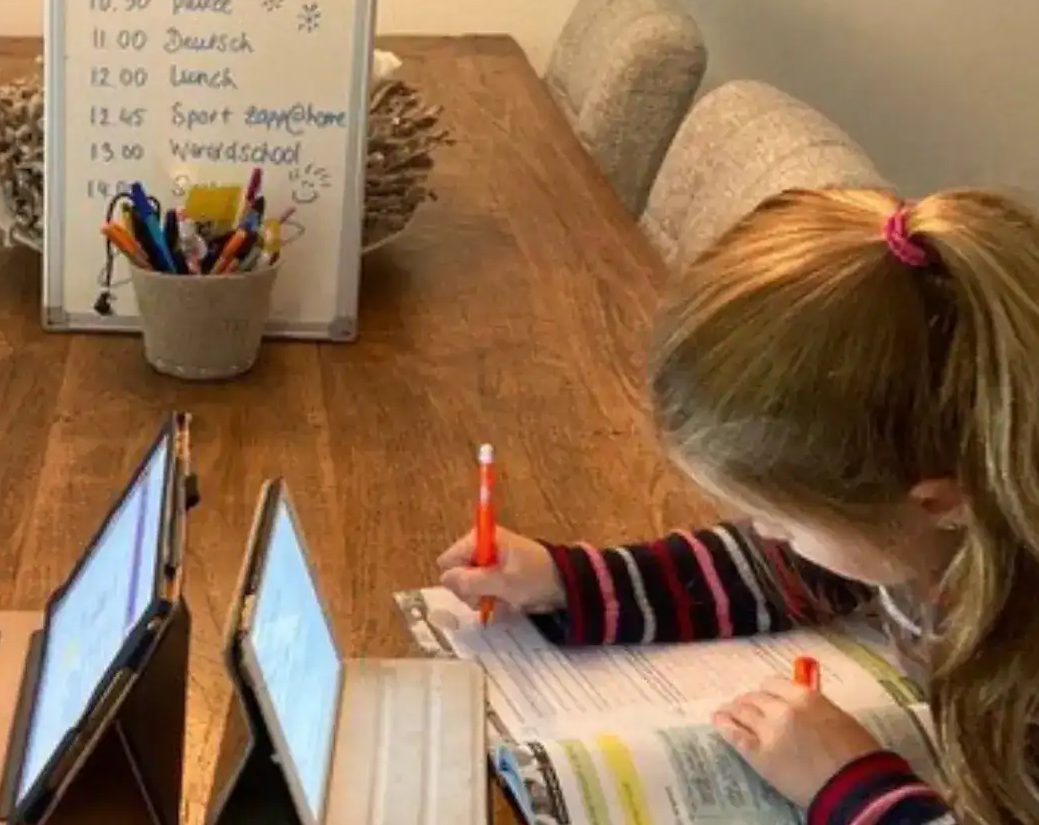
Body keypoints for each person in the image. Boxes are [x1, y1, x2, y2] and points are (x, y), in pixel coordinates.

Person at [438, 187, 1039, 825]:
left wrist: (850, 787)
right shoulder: (923, 499)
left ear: (937, 501)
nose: (764, 532)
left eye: (782, 518)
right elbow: (782, 570)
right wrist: (569, 581)